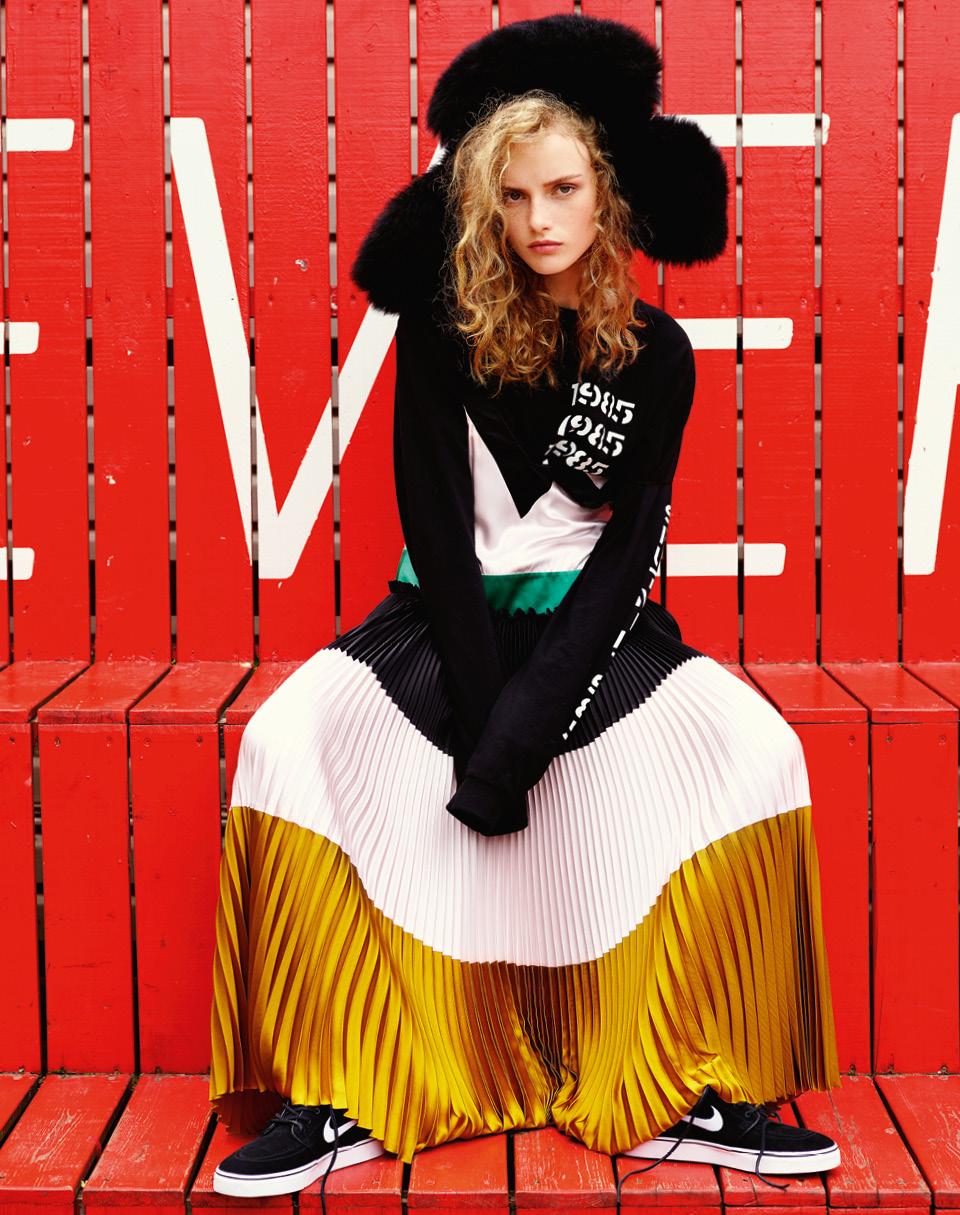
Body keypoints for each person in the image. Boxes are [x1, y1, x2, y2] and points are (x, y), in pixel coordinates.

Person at [208, 13, 843, 1208]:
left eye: (563, 190)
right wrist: (486, 719)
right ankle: (340, 1086)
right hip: (439, 623)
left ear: (606, 195)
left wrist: (526, 729)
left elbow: (627, 556)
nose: (541, 219)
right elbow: (436, 527)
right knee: (281, 741)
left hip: (590, 630)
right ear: (482, 208)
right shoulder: (438, 331)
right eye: (513, 196)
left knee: (762, 749)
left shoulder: (658, 355)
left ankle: (692, 1086)